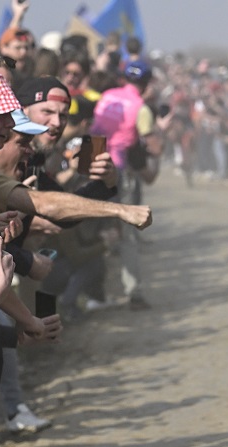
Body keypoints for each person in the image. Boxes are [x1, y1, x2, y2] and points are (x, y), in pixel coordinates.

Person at [89, 62, 162, 310]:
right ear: (147, 84)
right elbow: (154, 146)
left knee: (89, 224)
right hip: (118, 168)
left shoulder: (108, 95)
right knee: (127, 233)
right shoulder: (141, 108)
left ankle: (91, 294)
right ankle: (134, 293)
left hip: (90, 161)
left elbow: (96, 129)